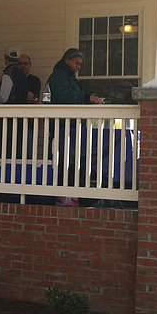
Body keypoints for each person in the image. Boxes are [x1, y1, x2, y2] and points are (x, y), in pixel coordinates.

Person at [48, 48, 103, 204]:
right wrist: (85, 98)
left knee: (72, 161)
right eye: (76, 63)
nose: (79, 66)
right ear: (67, 60)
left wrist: (87, 97)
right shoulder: (58, 76)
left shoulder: (69, 77)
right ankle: (63, 196)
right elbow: (63, 97)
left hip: (71, 125)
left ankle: (72, 196)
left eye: (80, 64)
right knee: (63, 161)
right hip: (62, 125)